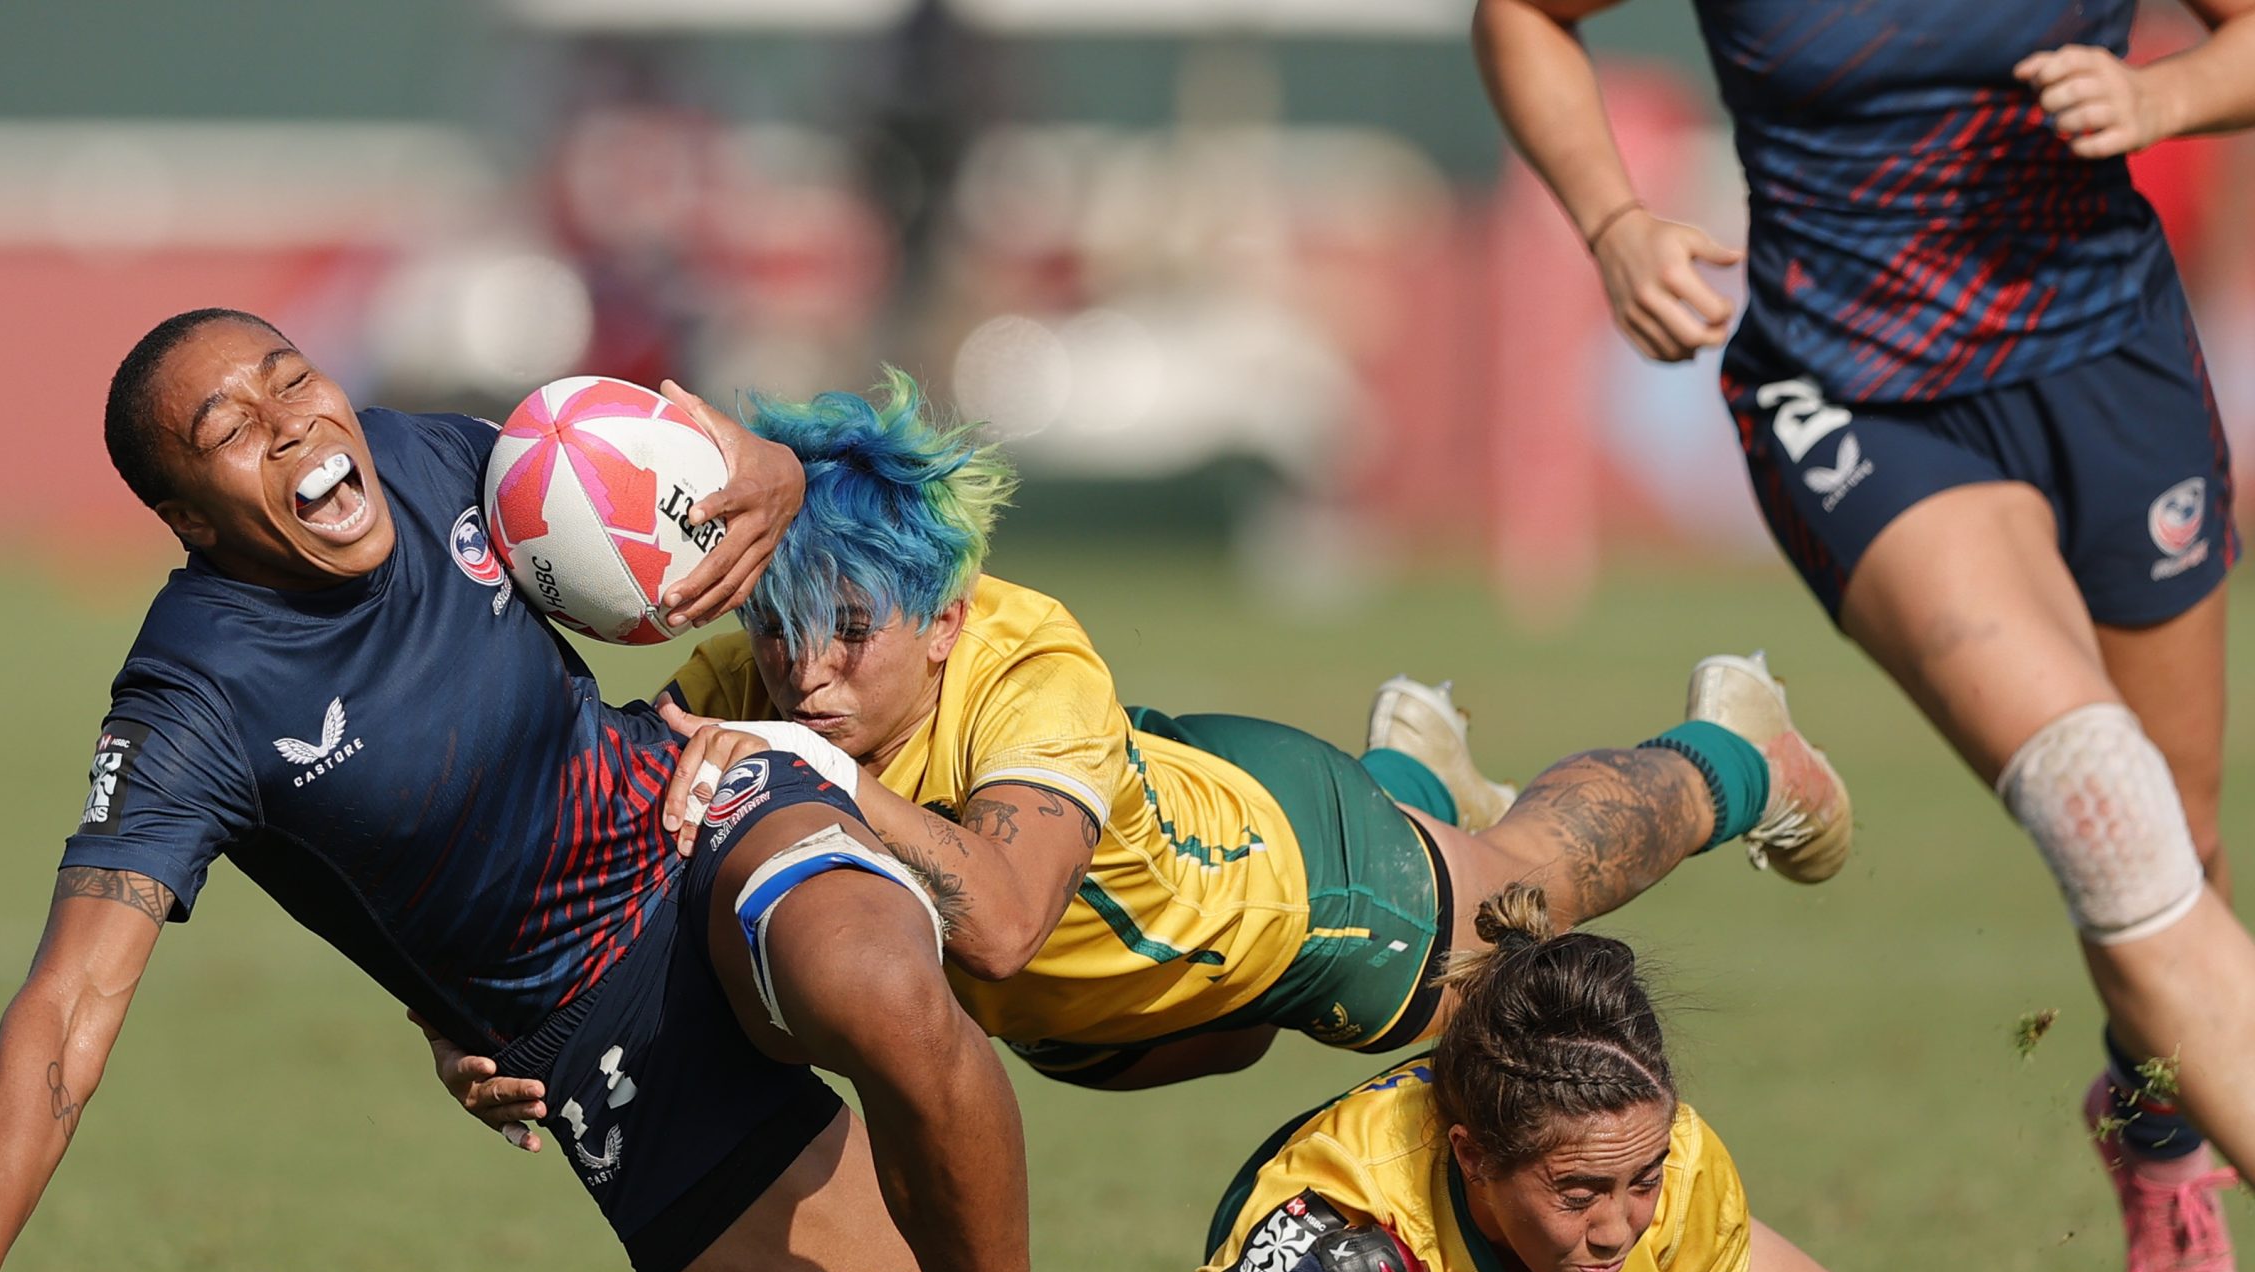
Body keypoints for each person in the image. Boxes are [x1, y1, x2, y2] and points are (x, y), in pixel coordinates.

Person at [0, 309, 1115, 1272]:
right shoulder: (193, 703)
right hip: (579, 1039)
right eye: (232, 428)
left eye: (294, 381)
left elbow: (734, 464)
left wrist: (761, 477)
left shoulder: (443, 456)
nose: (292, 424)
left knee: (877, 987)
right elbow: (66, 1008)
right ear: (187, 516)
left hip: (694, 827)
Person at [1469, 0, 2254, 1272]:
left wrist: (2169, 95)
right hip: (1859, 395)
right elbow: (1524, 15)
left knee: (2183, 837)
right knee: (2107, 811)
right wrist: (1613, 221)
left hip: (2108, 356)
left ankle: (2156, 1115)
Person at [458, 374, 1851, 1115]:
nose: (805, 674)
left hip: (1297, 888)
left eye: (853, 633)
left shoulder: (1027, 656)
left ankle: (1739, 748)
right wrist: (477, 1026)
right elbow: (574, 861)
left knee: (1531, 896)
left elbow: (1000, 924)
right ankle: (1417, 768)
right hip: (1121, 1019)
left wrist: (817, 778)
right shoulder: (745, 676)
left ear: (942, 621)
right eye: (782, 633)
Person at [1151, 885, 2135, 1272]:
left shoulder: (1683, 1177)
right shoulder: (1331, 1210)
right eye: (1577, 1193)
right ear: (1472, 1156)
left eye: (1642, 1178)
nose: (1618, 1227)